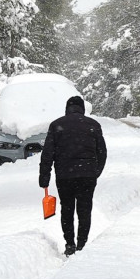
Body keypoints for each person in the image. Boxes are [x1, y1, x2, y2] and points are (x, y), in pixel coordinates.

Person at [38, 95, 107, 256]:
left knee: (67, 209)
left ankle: (70, 244)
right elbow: (102, 152)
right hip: (87, 176)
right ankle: (82, 244)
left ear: (67, 108)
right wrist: (95, 172)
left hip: (65, 176)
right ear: (82, 108)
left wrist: (44, 177)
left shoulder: (57, 125)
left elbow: (47, 154)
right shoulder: (93, 125)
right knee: (85, 209)